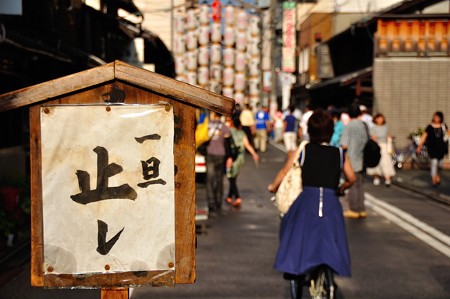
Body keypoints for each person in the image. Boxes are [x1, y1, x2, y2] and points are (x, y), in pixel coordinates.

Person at [268, 109, 356, 299]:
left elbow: (284, 172)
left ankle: (294, 266)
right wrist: (341, 188)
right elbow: (352, 177)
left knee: (290, 228)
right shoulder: (340, 153)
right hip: (331, 201)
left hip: (307, 199)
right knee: (330, 237)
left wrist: (273, 187)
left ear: (310, 131)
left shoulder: (303, 150)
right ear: (331, 131)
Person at [339, 104, 368, 219]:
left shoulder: (348, 126)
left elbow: (344, 144)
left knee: (352, 184)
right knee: (359, 185)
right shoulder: (363, 125)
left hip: (350, 159)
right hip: (361, 158)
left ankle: (354, 209)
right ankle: (361, 209)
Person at [225, 117, 259, 207]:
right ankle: (229, 196)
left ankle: (237, 197)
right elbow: (247, 145)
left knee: (231, 177)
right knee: (233, 177)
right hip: (240, 158)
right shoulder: (242, 133)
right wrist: (254, 154)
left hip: (231, 157)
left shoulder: (228, 132)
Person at [206, 111, 231, 212]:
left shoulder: (207, 125)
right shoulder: (224, 127)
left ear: (214, 114)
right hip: (221, 155)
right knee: (219, 179)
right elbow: (228, 142)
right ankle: (218, 202)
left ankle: (211, 202)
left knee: (210, 180)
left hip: (210, 153)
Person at [417, 111, 449, 186]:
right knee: (434, 163)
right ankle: (434, 178)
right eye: (435, 117)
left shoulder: (443, 126)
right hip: (432, 148)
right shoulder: (429, 127)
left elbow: (448, 134)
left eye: (437, 117)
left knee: (440, 164)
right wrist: (419, 146)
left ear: (441, 118)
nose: (436, 118)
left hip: (441, 148)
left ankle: (436, 175)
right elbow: (424, 137)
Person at [366, 114, 396, 187]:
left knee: (386, 162)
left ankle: (387, 179)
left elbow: (388, 135)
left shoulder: (386, 127)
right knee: (376, 162)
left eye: (381, 118)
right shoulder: (373, 128)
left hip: (384, 146)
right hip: (376, 146)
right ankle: (376, 177)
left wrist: (389, 138)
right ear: (375, 119)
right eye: (378, 118)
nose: (380, 120)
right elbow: (373, 137)